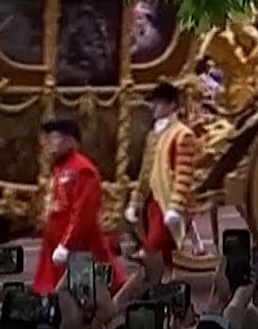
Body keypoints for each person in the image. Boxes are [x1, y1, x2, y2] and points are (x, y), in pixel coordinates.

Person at [33, 117, 126, 295]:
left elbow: (83, 213)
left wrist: (66, 245)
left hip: (78, 247)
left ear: (70, 141)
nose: (51, 143)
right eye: (50, 138)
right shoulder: (60, 169)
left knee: (83, 293)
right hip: (55, 244)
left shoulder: (83, 170)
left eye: (56, 138)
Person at [125, 81, 201, 270]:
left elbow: (184, 173)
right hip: (153, 200)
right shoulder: (153, 135)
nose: (153, 108)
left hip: (170, 200)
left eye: (158, 103)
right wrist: (135, 202)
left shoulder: (183, 135)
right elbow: (146, 171)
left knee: (154, 248)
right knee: (162, 255)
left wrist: (175, 207)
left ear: (171, 106)